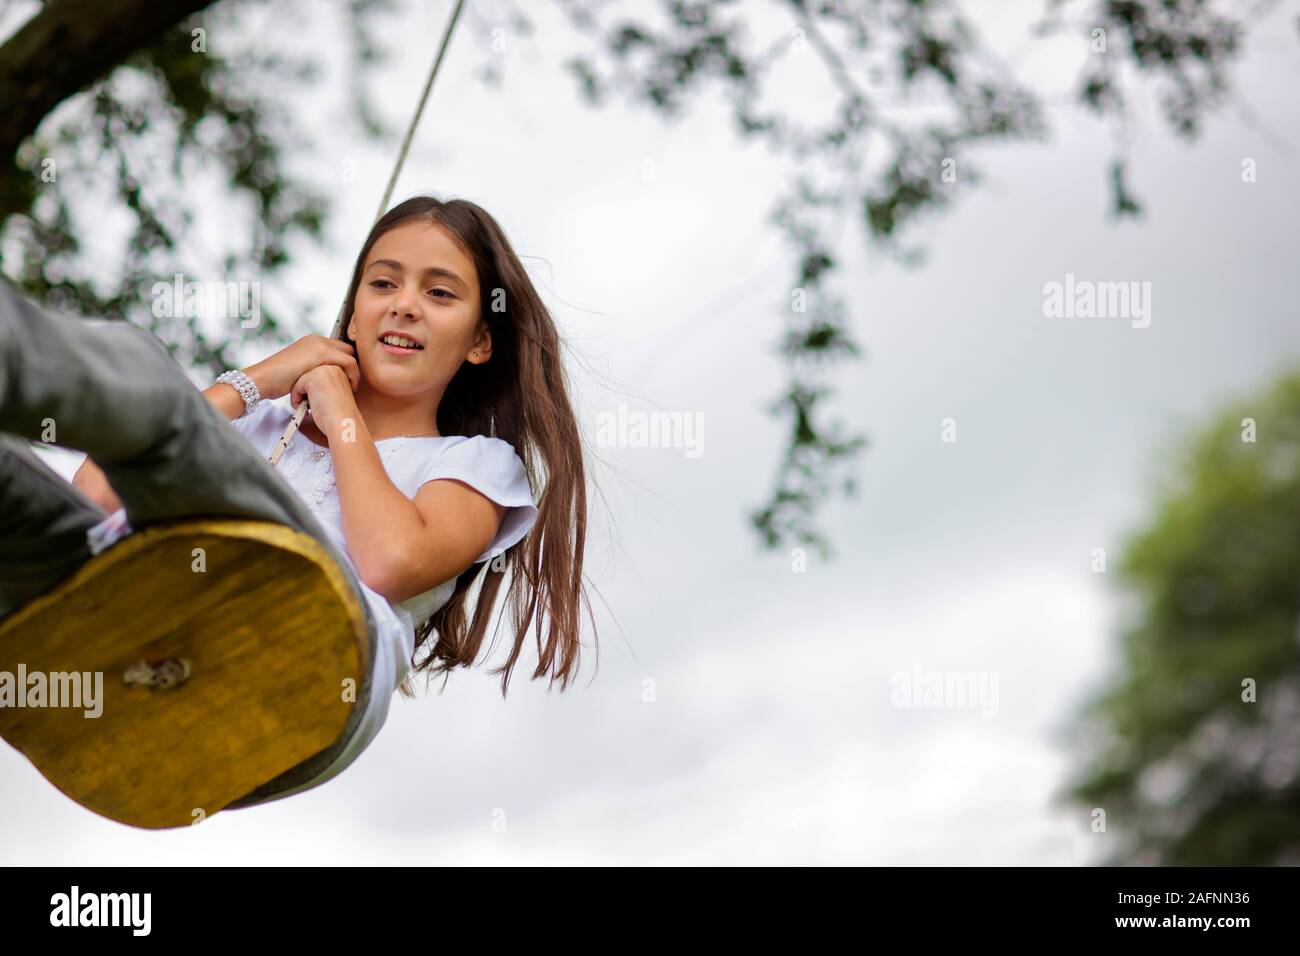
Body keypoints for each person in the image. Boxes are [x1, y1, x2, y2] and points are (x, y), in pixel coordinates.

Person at [0, 195, 596, 808]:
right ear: (356, 316)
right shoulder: (264, 421)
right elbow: (96, 494)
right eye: (383, 283)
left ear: (479, 342)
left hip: (312, 670)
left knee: (145, 374)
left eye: (440, 294)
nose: (404, 304)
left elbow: (388, 562)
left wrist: (339, 409)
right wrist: (257, 381)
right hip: (137, 626)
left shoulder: (473, 463)